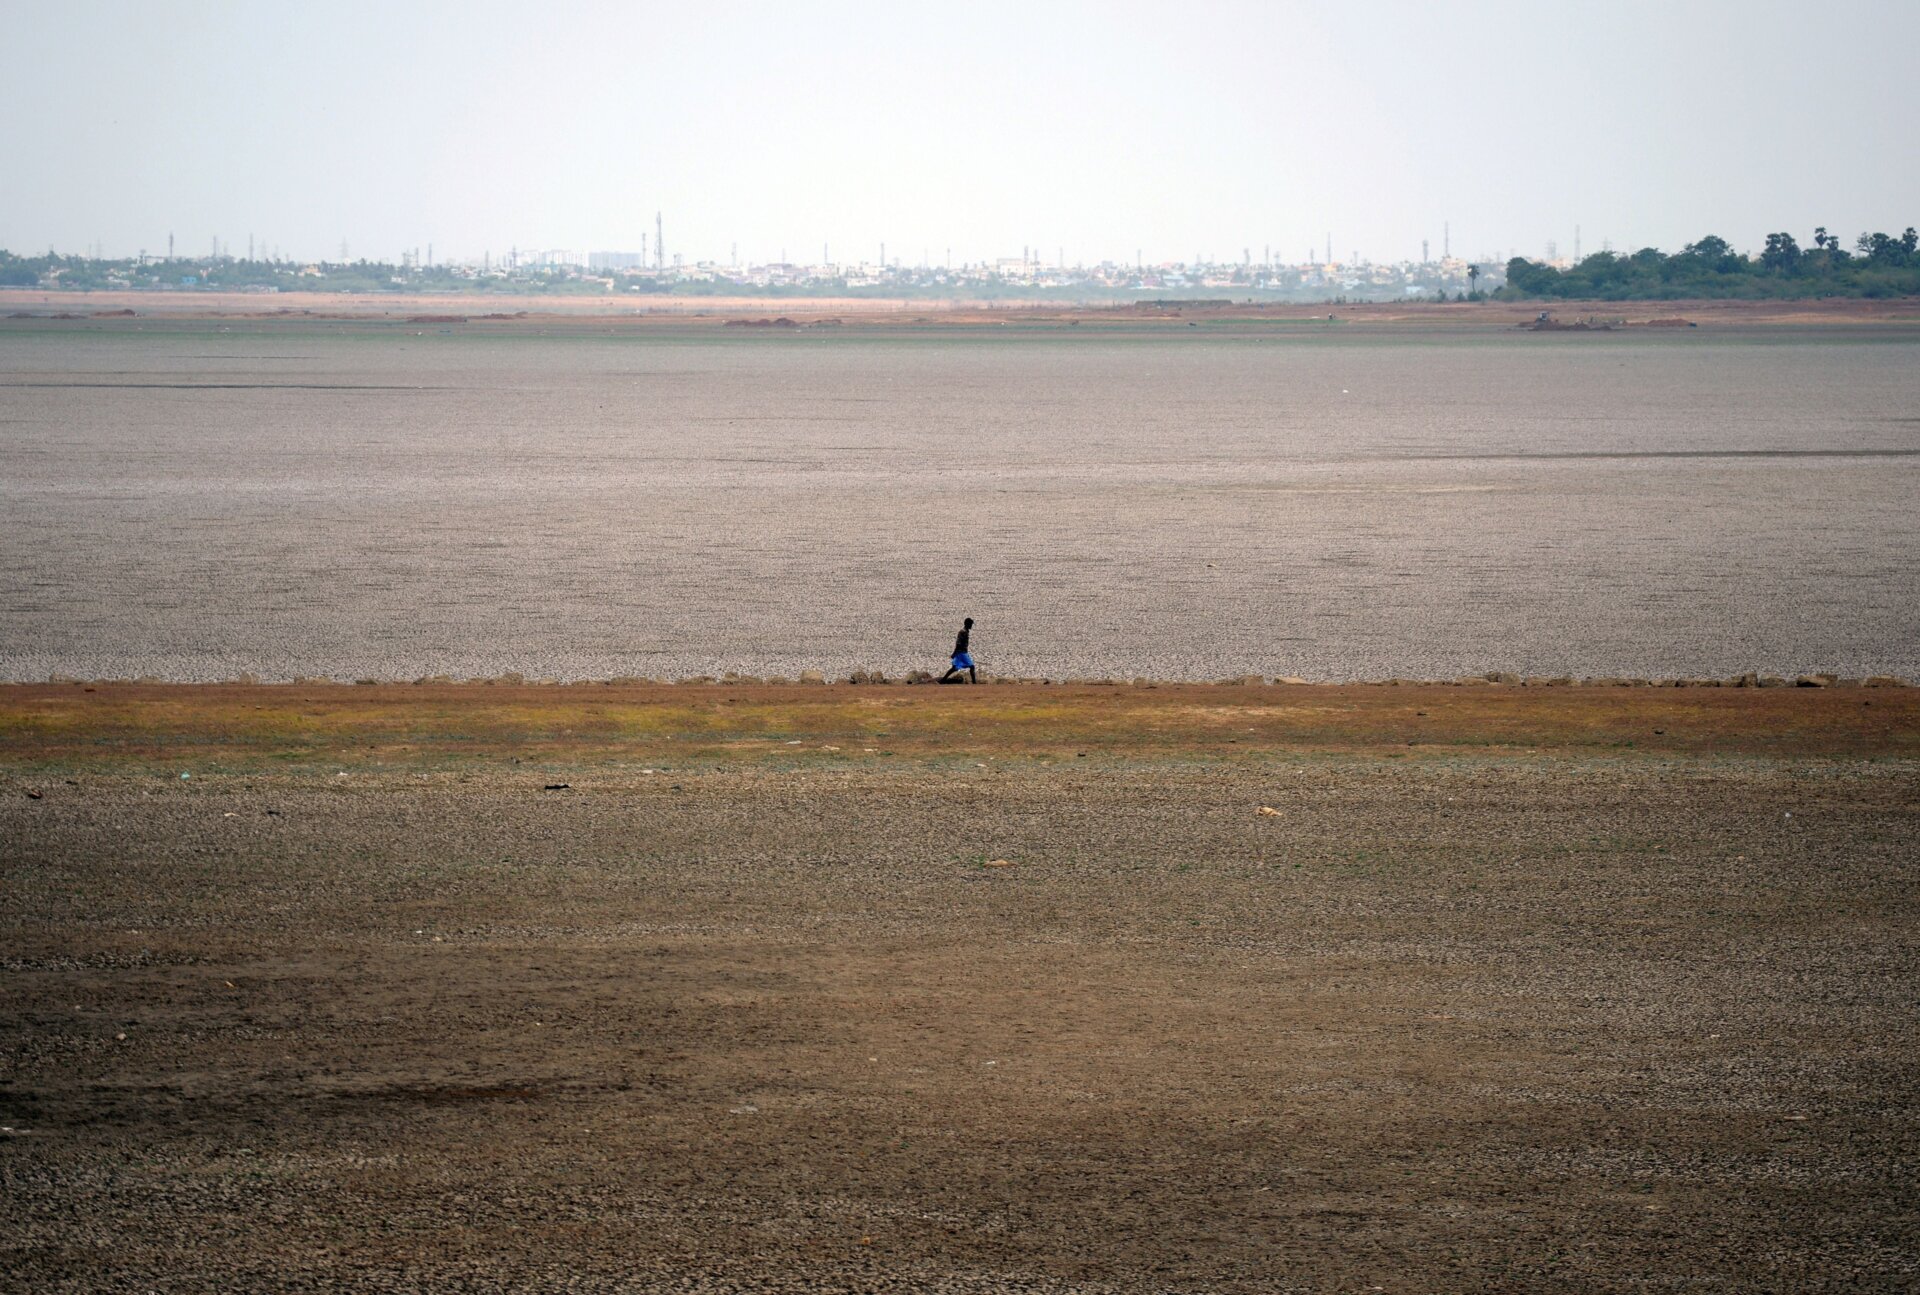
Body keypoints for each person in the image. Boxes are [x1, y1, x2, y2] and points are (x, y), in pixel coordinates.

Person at [937, 617, 976, 684]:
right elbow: (958, 644)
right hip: (961, 653)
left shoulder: (966, 631)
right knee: (971, 666)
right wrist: (954, 653)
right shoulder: (962, 632)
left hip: (963, 652)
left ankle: (943, 680)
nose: (971, 625)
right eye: (970, 624)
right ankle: (974, 682)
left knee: (954, 668)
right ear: (967, 624)